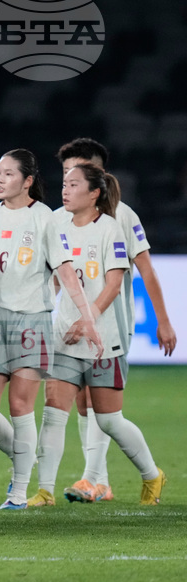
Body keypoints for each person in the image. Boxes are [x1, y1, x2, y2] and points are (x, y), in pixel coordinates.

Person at [0, 149, 102, 509]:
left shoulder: (45, 220)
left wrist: (87, 316)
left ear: (28, 180)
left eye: (7, 174)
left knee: (20, 406)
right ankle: (24, 457)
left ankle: (18, 492)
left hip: (31, 320)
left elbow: (65, 270)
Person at [27, 164, 166, 507]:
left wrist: (88, 320)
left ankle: (151, 474)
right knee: (54, 411)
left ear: (94, 194)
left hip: (104, 339)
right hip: (65, 338)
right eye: (63, 184)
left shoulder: (110, 229)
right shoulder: (56, 225)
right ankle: (45, 490)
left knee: (108, 420)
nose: (65, 190)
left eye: (74, 185)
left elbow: (114, 282)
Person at [54, 138, 177, 502]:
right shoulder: (60, 217)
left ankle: (93, 478)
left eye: (75, 174)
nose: (68, 181)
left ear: (98, 175)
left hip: (111, 325)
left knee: (101, 405)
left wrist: (163, 320)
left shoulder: (122, 216)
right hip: (72, 326)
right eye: (64, 175)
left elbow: (146, 270)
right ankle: (99, 482)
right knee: (82, 402)